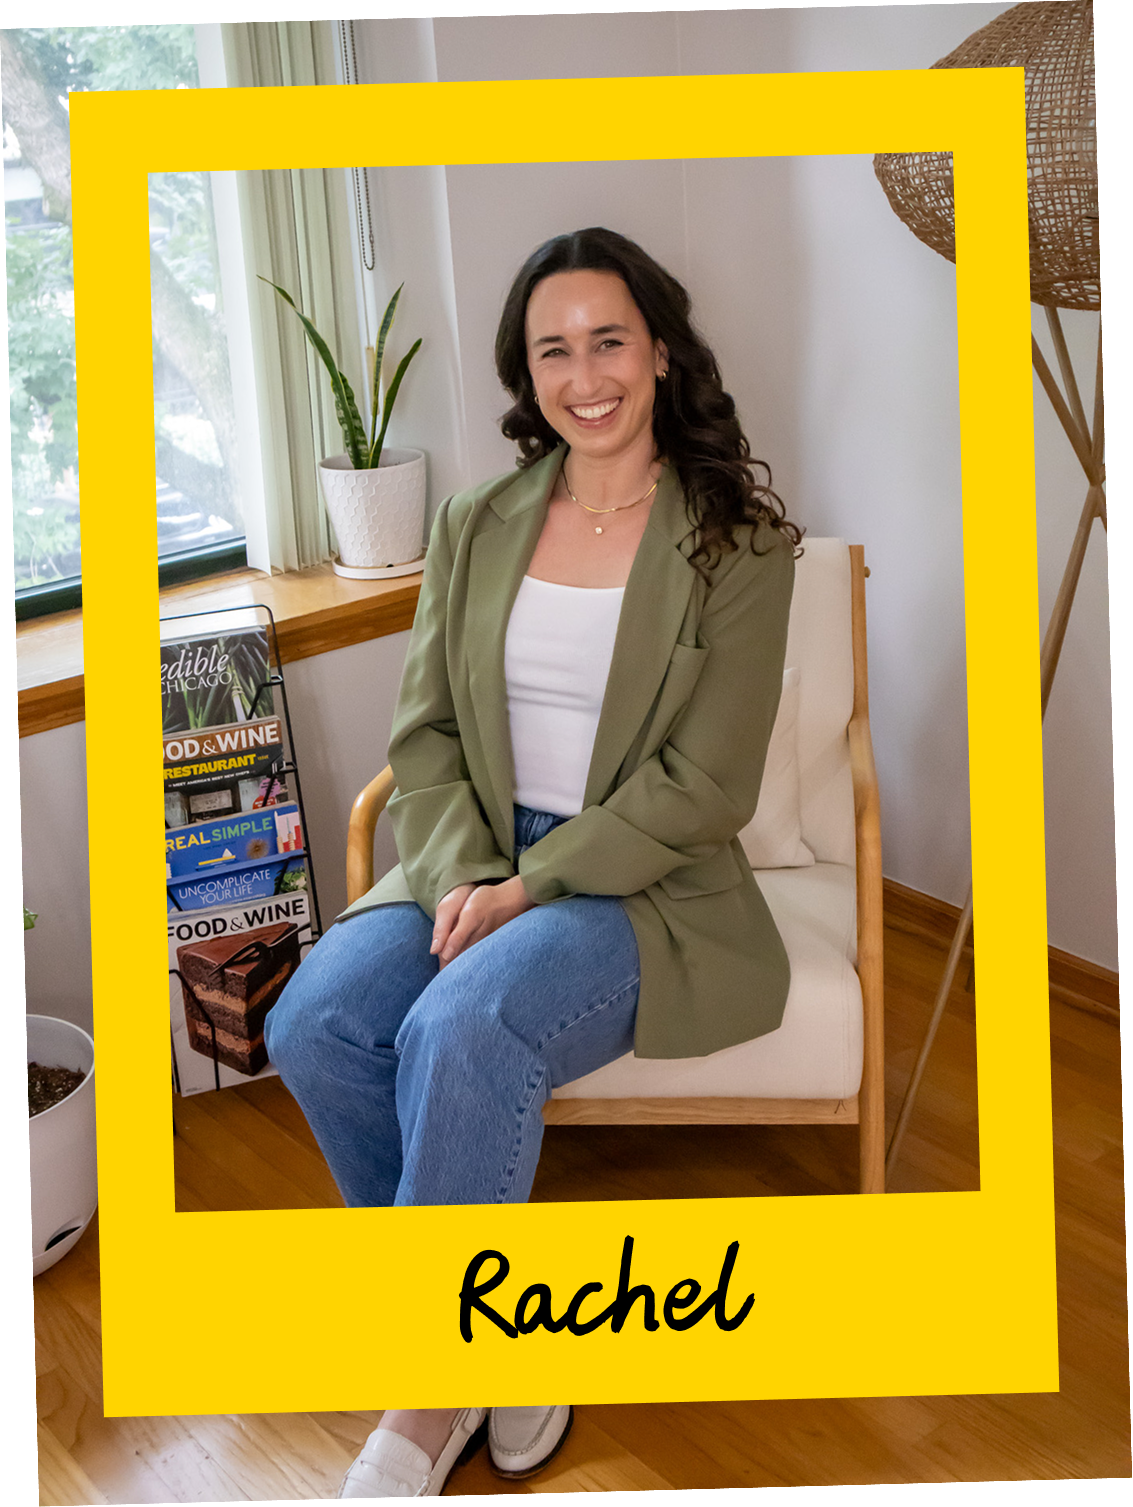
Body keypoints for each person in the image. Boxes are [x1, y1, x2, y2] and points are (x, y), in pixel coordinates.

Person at [264, 226, 803, 1505]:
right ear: (526, 372)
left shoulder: (740, 545)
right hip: (469, 853)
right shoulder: (475, 522)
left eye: (608, 338)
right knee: (317, 1020)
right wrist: (465, 872)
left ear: (660, 353)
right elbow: (427, 731)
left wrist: (533, 886)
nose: (584, 373)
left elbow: (706, 785)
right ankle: (508, 1328)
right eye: (550, 349)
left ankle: (428, 1385)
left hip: (637, 881)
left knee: (463, 1022)